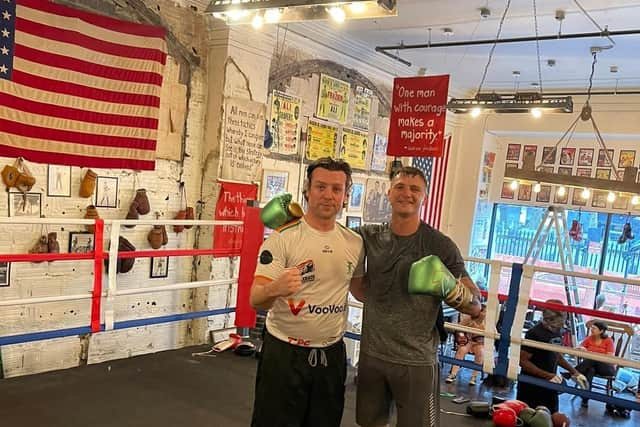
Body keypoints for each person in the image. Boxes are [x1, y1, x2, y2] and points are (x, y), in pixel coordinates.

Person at [350, 165, 483, 427]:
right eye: (399, 187)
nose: (406, 193)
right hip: (373, 355)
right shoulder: (368, 236)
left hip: (417, 361)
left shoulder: (439, 244)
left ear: (425, 197)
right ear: (389, 193)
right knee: (368, 424)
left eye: (414, 189)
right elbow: (358, 289)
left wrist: (448, 287)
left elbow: (475, 304)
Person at [250, 157, 365, 427]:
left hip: (331, 354)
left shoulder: (354, 242)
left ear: (346, 195)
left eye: (337, 189)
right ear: (307, 190)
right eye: (320, 187)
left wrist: (409, 295)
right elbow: (255, 299)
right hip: (284, 353)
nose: (328, 195)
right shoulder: (282, 238)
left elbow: (361, 291)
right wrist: (275, 288)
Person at [517, 300, 587, 414]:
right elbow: (522, 361)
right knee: (529, 417)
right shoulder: (534, 333)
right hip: (532, 385)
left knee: (552, 416)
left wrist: (574, 372)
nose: (563, 320)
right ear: (550, 318)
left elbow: (556, 355)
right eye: (561, 316)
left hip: (550, 382)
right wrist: (547, 375)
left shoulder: (557, 331)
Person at [575, 321, 615, 408]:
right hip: (592, 366)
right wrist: (581, 349)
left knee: (593, 359)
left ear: (601, 331)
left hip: (606, 367)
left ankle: (573, 372)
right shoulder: (589, 338)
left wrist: (590, 352)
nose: (591, 330)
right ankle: (585, 398)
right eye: (591, 328)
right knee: (590, 370)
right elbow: (579, 347)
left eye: (594, 328)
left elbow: (609, 357)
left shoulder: (608, 341)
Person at [445, 305, 487, 386]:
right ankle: (453, 374)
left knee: (480, 352)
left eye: (485, 312)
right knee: (461, 350)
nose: (484, 314)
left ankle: (474, 377)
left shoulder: (488, 322)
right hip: (468, 341)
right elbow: (458, 328)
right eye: (483, 312)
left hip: (480, 343)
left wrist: (484, 338)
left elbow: (494, 334)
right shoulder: (468, 318)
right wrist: (462, 337)